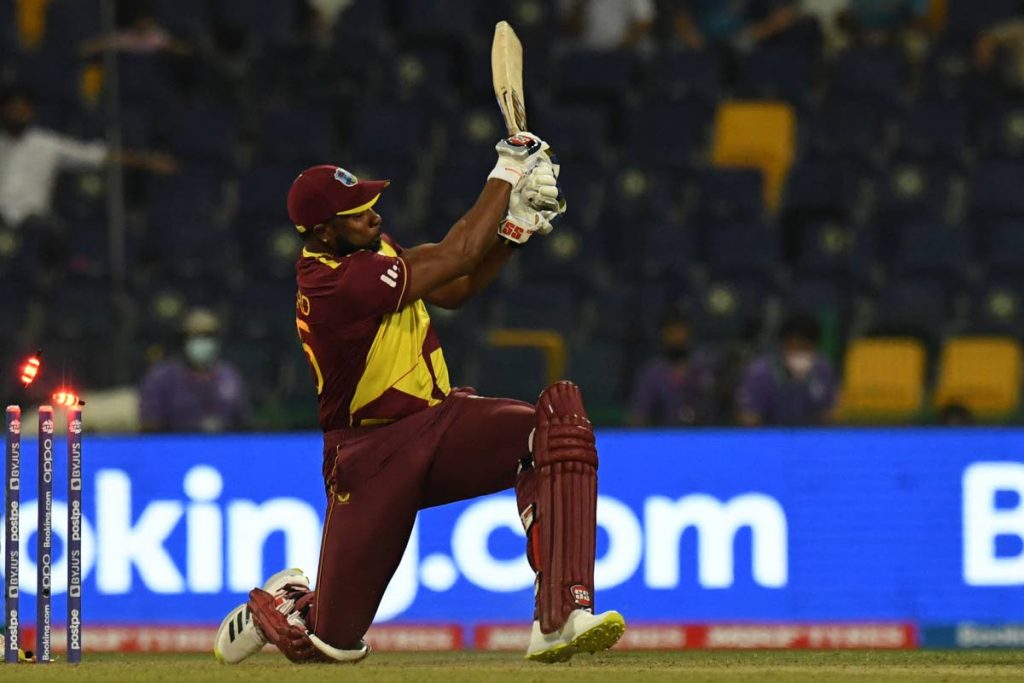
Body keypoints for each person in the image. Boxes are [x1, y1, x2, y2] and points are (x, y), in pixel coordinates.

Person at [212, 133, 625, 665]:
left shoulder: (368, 249)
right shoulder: (333, 283)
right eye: (356, 213)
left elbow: (454, 287)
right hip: (370, 457)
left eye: (369, 205)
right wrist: (507, 172)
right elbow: (457, 252)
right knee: (331, 644)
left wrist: (515, 229)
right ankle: (286, 603)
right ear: (321, 232)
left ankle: (561, 616)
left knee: (556, 423)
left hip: (440, 421)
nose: (373, 218)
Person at [0, 84, 176, 229]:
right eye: (14, 109)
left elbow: (94, 155)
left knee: (56, 231)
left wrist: (146, 161)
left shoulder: (47, 144)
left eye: (23, 109)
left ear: (31, 112)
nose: (18, 114)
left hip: (33, 221)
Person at [139, 308, 250, 432]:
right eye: (196, 336)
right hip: (174, 446)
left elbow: (242, 424)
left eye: (208, 336)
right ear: (184, 339)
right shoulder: (161, 377)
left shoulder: (230, 377)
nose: (202, 342)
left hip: (221, 446)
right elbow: (150, 426)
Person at [736, 313, 837, 426]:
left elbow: (829, 415)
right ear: (782, 345)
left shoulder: (823, 370)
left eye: (805, 348)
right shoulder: (760, 373)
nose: (799, 352)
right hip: (768, 438)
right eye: (794, 346)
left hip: (810, 438)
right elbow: (749, 418)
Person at [628, 312, 718, 426]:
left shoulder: (706, 368)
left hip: (706, 437)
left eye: (680, 332)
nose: (677, 338)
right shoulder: (652, 373)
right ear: (663, 336)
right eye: (672, 333)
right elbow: (638, 416)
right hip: (663, 438)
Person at [671, 0, 799, 51]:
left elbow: (784, 16)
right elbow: (680, 12)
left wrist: (759, 32)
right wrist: (689, 34)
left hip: (744, 41)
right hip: (701, 39)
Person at [559, 0, 657, 50]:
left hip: (623, 53)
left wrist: (623, 47)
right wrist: (578, 6)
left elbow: (643, 21)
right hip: (585, 53)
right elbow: (570, 28)